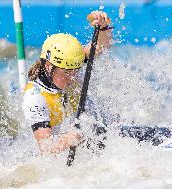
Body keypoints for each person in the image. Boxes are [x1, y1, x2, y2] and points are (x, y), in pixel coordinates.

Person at [22, 11, 113, 154]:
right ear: (48, 66)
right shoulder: (35, 98)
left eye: (75, 71)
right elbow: (46, 148)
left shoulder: (69, 63)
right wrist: (68, 139)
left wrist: (102, 27)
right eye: (66, 72)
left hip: (94, 136)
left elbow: (100, 46)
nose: (72, 77)